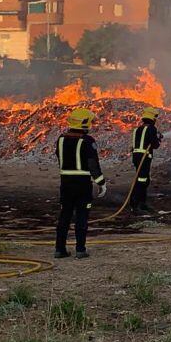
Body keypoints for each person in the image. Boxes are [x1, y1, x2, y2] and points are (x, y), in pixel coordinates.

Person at [55, 108, 106, 259]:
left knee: (65, 215)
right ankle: (80, 250)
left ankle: (59, 249)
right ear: (84, 123)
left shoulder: (61, 139)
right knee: (82, 217)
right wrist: (101, 182)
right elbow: (93, 165)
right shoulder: (88, 141)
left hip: (65, 184)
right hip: (82, 184)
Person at [129, 106, 163, 214]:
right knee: (142, 181)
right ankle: (136, 205)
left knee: (143, 180)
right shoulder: (151, 129)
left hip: (136, 157)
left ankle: (141, 204)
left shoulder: (137, 129)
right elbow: (155, 145)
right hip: (144, 157)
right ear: (152, 118)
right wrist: (159, 139)